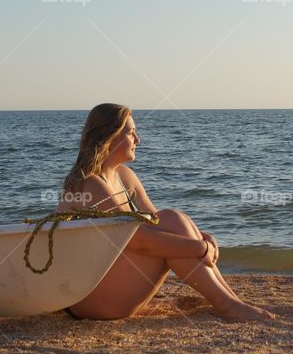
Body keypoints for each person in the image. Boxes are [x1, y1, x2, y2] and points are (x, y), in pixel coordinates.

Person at [57, 103, 277, 322]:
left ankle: (230, 302)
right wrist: (201, 248)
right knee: (172, 223)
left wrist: (203, 237)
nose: (138, 140)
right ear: (110, 136)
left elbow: (157, 223)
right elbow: (137, 241)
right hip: (90, 302)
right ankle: (226, 305)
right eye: (131, 133)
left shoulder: (124, 176)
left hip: (112, 291)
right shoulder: (90, 184)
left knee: (172, 219)